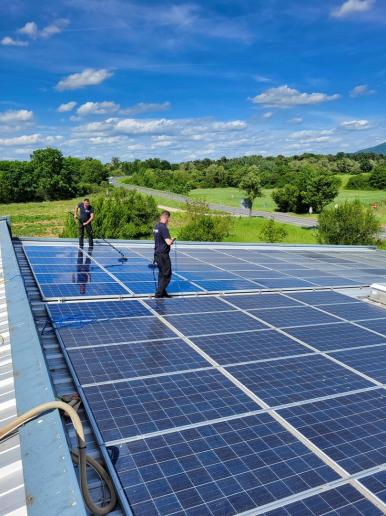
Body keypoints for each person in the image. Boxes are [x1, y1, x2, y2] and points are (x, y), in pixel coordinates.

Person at [153, 210, 175, 298]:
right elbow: (168, 242)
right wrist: (173, 239)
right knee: (167, 274)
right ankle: (159, 293)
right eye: (168, 219)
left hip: (157, 253)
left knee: (161, 274)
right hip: (163, 255)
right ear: (167, 218)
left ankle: (162, 292)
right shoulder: (163, 228)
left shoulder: (156, 226)